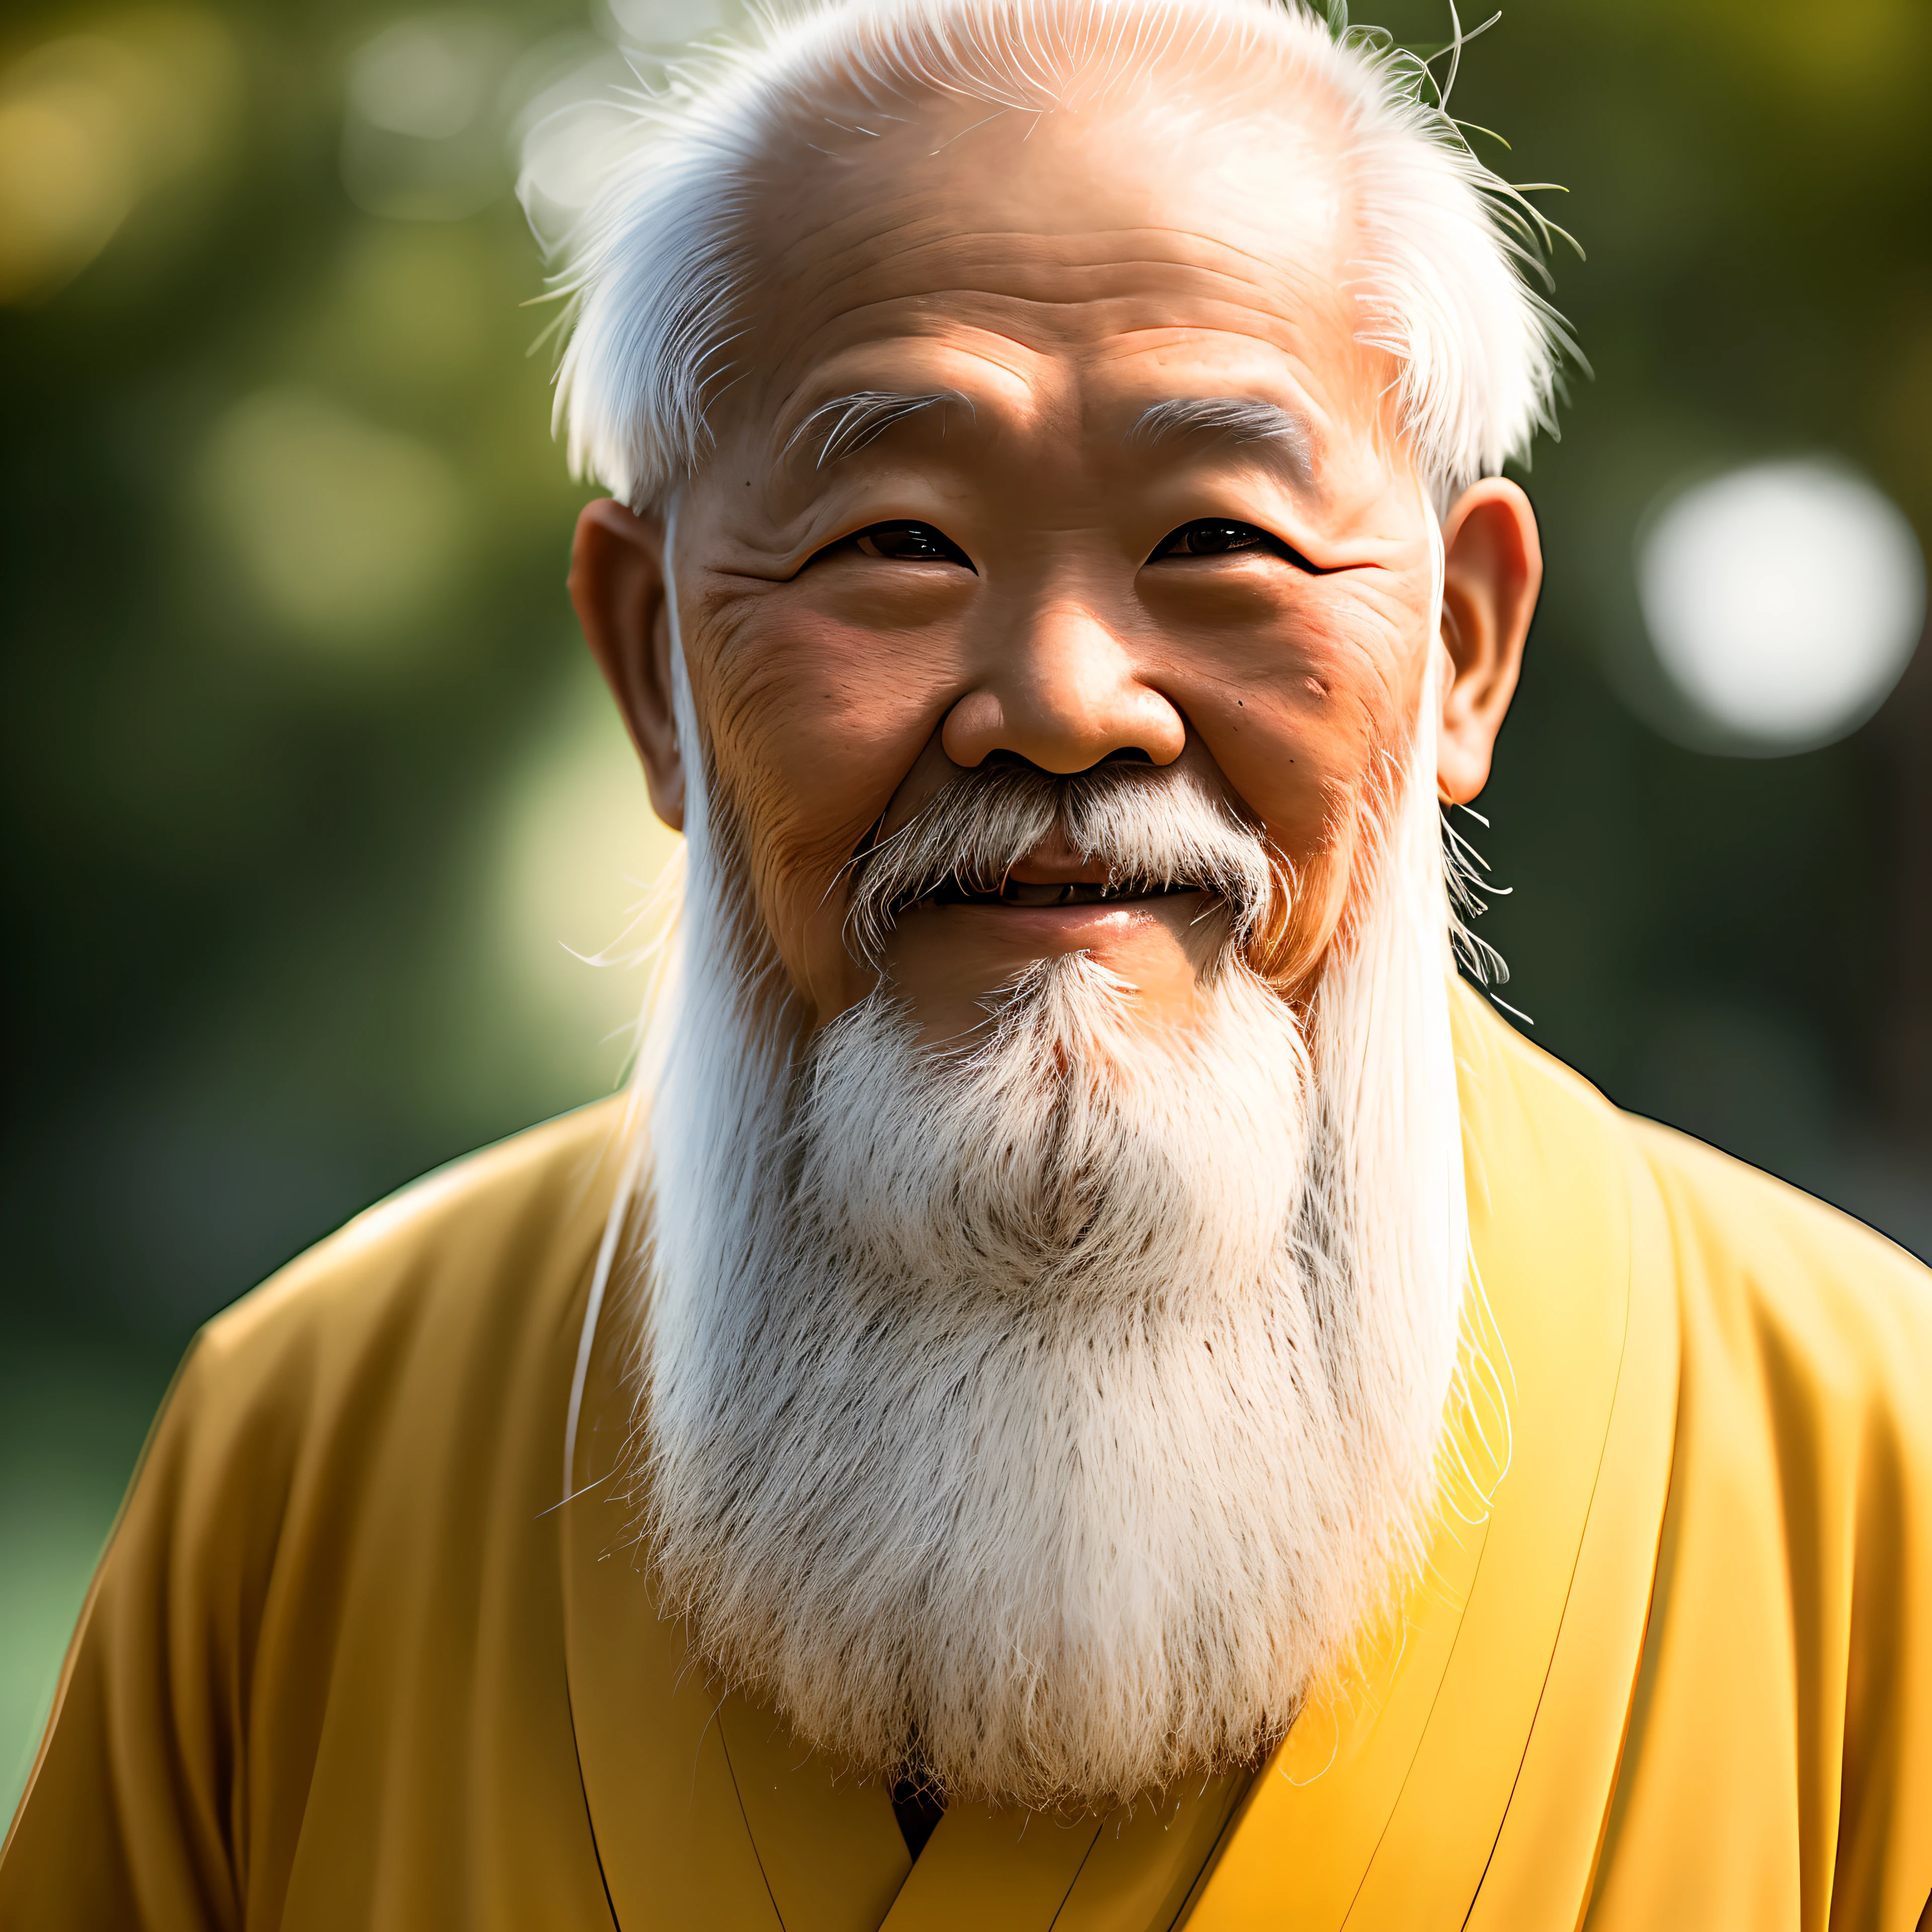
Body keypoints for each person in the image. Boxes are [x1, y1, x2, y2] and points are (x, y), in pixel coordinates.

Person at [4, 2, 1928, 1926]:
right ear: (652, 663)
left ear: (1465, 650)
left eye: (1218, 537)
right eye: (899, 541)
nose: (1066, 705)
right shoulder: (313, 1444)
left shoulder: (1874, 1468)